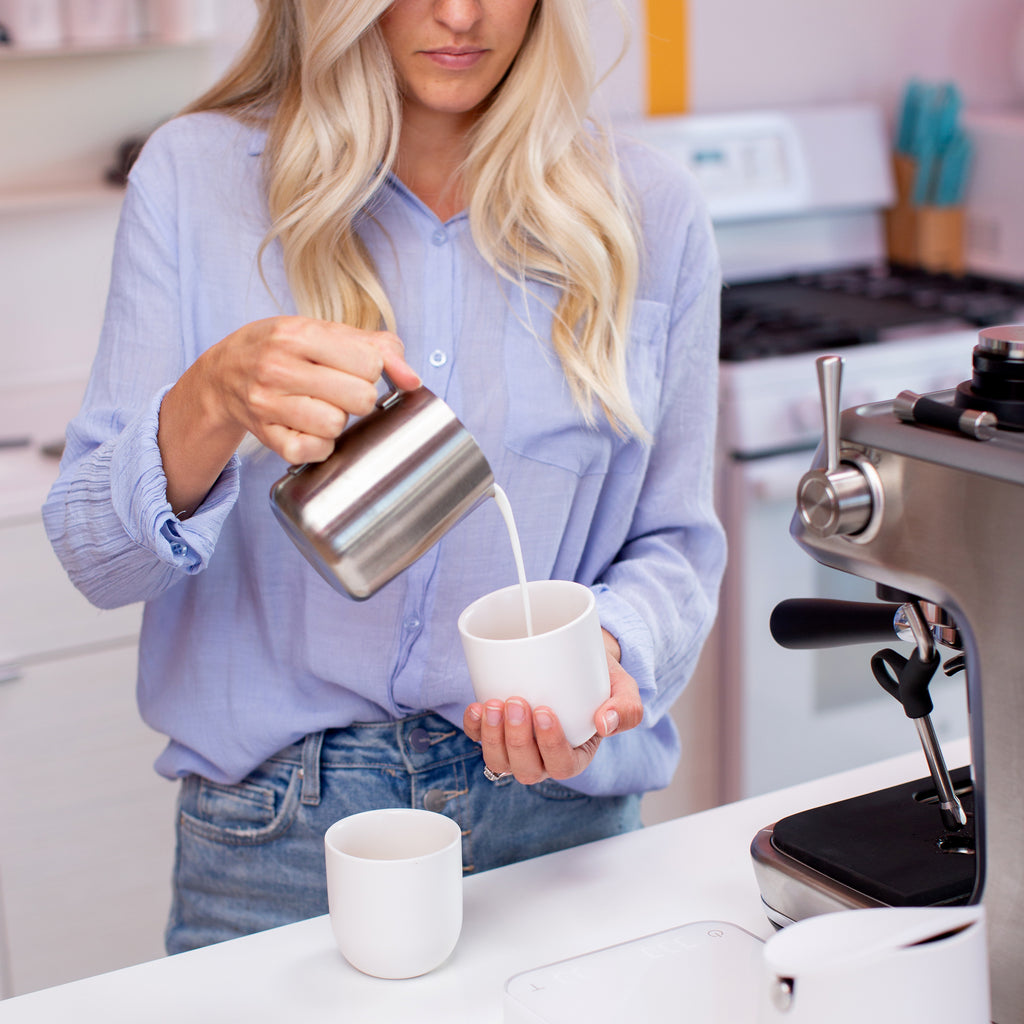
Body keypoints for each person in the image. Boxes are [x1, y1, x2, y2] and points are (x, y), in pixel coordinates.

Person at [42, 0, 725, 955]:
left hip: (554, 824)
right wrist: (213, 398)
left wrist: (610, 662)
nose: (460, 14)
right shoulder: (196, 178)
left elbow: (677, 546)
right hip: (278, 837)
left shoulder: (645, 209)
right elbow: (96, 562)